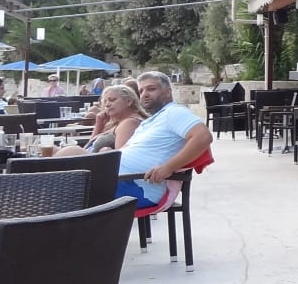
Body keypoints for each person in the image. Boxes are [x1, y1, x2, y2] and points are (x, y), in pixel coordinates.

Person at [59, 70, 212, 208]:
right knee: (62, 166)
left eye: (151, 89)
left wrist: (169, 167)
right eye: (141, 90)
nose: (145, 94)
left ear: (168, 92)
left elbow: (203, 137)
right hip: (119, 180)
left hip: (137, 187)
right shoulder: (151, 121)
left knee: (66, 164)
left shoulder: (174, 112)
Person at [85, 84, 148, 151]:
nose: (107, 105)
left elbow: (121, 155)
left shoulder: (129, 123)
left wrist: (106, 152)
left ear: (129, 101)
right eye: (105, 101)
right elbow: (88, 146)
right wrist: (99, 124)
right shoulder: (117, 122)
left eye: (112, 100)